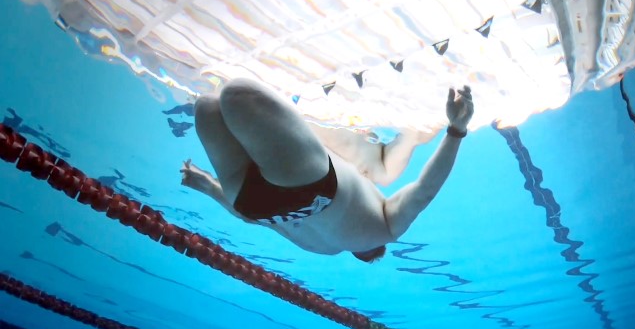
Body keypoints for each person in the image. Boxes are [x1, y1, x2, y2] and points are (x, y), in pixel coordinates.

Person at [180, 79, 474, 262]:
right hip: (251, 202)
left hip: (308, 186)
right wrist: (208, 185)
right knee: (207, 106)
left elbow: (424, 191)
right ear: (357, 255)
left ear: (376, 248)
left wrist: (456, 131)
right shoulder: (321, 249)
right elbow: (256, 221)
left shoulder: (385, 230)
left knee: (236, 94)